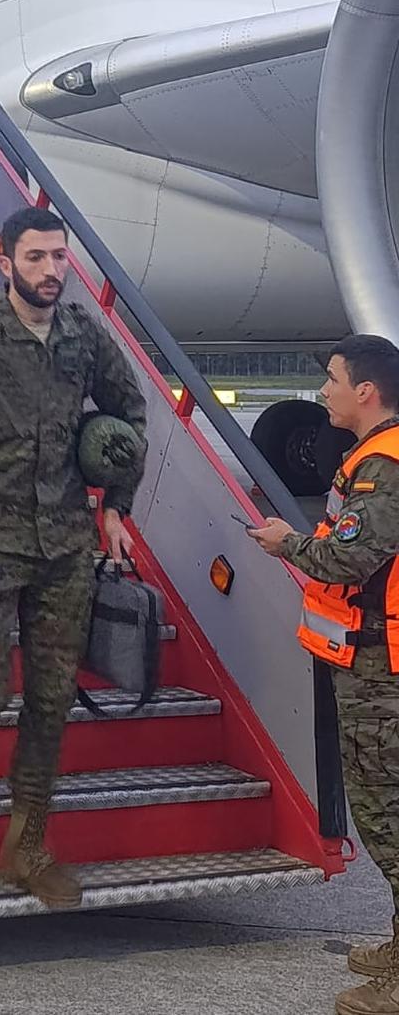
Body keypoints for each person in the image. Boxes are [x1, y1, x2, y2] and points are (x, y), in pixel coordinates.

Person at [0, 205, 147, 909]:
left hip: (66, 544)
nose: (50, 270)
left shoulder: (83, 333)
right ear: (5, 261)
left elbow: (131, 413)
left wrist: (115, 504)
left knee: (51, 697)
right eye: (36, 258)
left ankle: (29, 844)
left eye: (59, 257)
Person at [249, 336, 399, 1015]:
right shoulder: (373, 457)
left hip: (381, 672)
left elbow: (349, 558)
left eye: (333, 379)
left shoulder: (384, 467)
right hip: (370, 663)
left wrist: (289, 543)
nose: (324, 392)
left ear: (366, 391)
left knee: (387, 819)